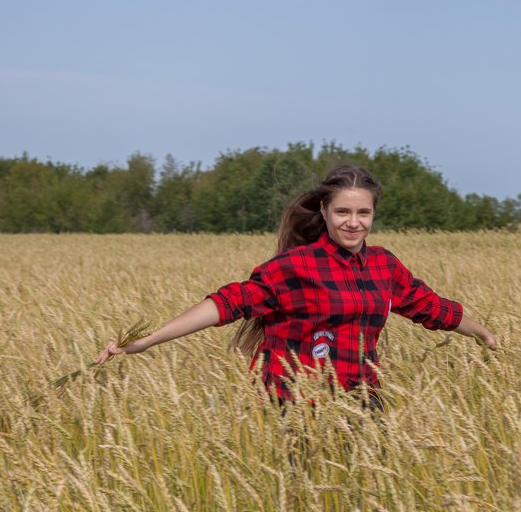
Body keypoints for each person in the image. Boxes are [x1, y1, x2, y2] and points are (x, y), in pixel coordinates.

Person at [95, 164, 497, 406]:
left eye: (363, 212)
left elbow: (430, 307)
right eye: (342, 211)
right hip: (297, 403)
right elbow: (227, 303)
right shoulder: (294, 267)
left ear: (373, 214)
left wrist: (485, 336)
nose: (352, 222)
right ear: (324, 211)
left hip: (362, 399)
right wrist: (148, 340)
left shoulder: (382, 265)